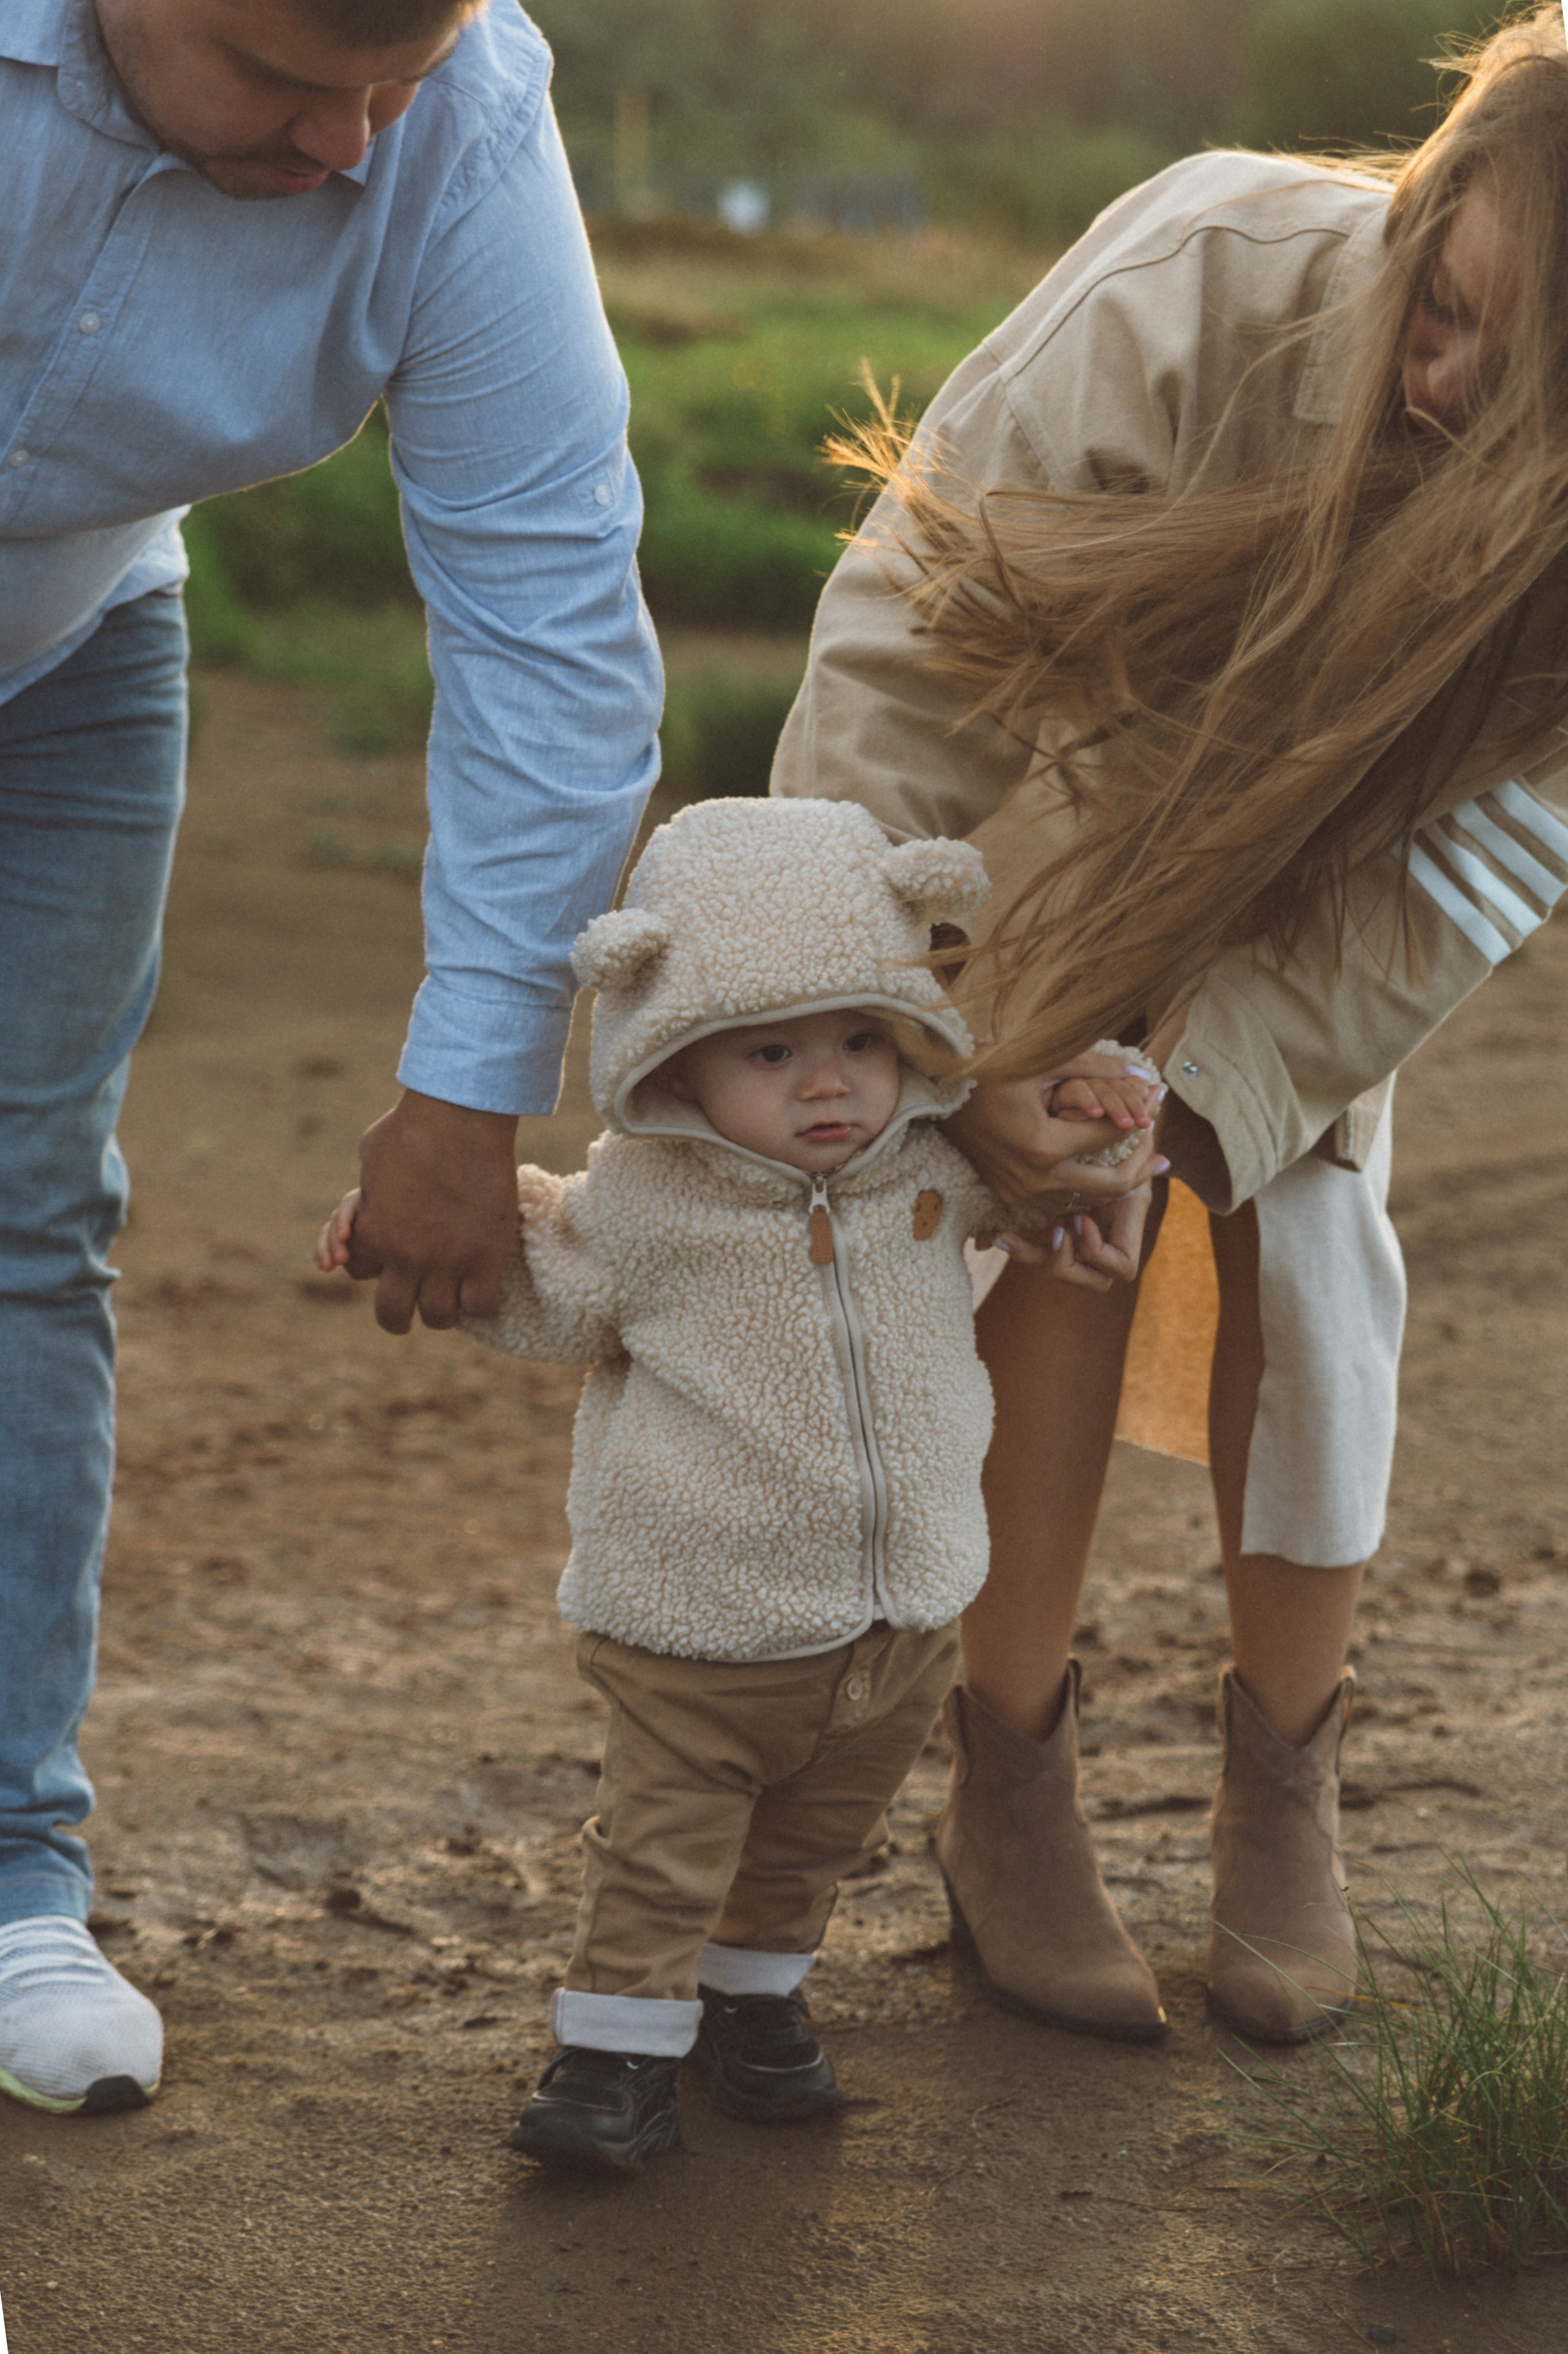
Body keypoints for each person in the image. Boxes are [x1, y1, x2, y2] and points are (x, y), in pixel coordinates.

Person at [772, 7, 1568, 2044]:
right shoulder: (1206, 265)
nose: (1443, 379)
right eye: (1446, 298)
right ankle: (1008, 1770)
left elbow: (1481, 867)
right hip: (1056, 815)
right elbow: (906, 650)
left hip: (1342, 893)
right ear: (1441, 180)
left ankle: (1284, 1773)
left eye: (1518, 375)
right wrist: (915, 1032)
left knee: (1305, 1261)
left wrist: (1192, 1109)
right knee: (1058, 1231)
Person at [0, 0, 664, 2114]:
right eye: (290, 82)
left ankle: (12, 1875)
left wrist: (472, 1090)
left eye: (394, 78)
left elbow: (548, 605)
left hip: (72, 642)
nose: (353, 143)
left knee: (26, 1219)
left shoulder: (456, 123)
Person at [319, 794, 1162, 2166]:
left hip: (899, 1624)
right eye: (770, 1051)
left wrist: (1099, 1118)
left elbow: (1060, 1172)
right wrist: (394, 1232)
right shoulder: (642, 1205)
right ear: (673, 1059)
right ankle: (610, 2060)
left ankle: (748, 2004)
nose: (827, 1085)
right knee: (660, 1855)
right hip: (700, 1627)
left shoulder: (935, 1170)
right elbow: (540, 1293)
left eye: (858, 1041)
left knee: (809, 1846)